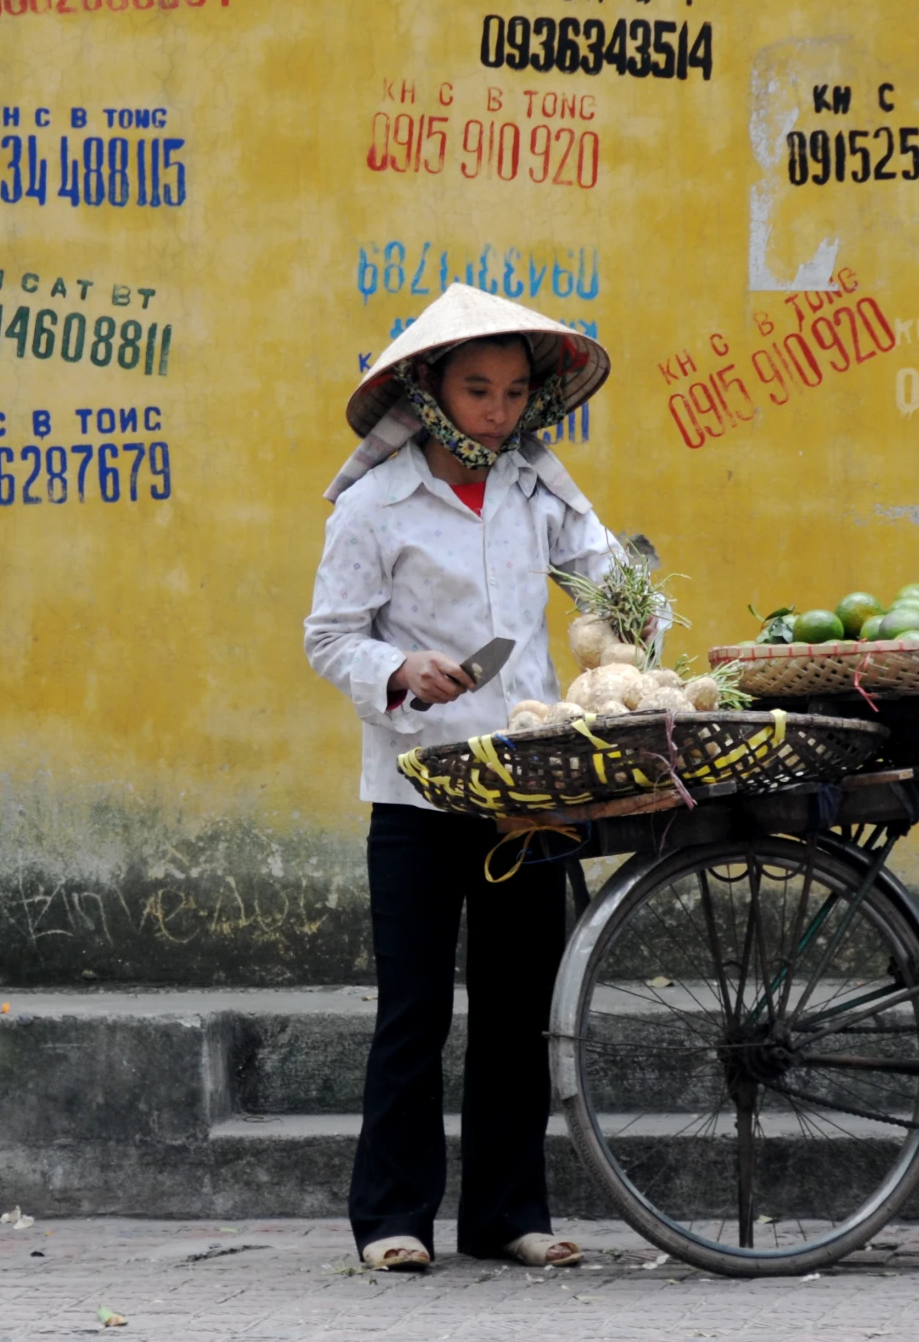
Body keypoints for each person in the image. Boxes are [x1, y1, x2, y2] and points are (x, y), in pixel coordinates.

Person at [304, 284, 622, 1274]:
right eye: (477, 388)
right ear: (430, 390)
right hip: (415, 793)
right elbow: (329, 639)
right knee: (415, 1010)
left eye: (515, 390)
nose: (497, 408)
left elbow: (613, 584)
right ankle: (390, 1217)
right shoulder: (374, 503)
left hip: (527, 792)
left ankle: (506, 1213)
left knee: (518, 1007)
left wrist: (624, 619)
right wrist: (398, 670)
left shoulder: (541, 492)